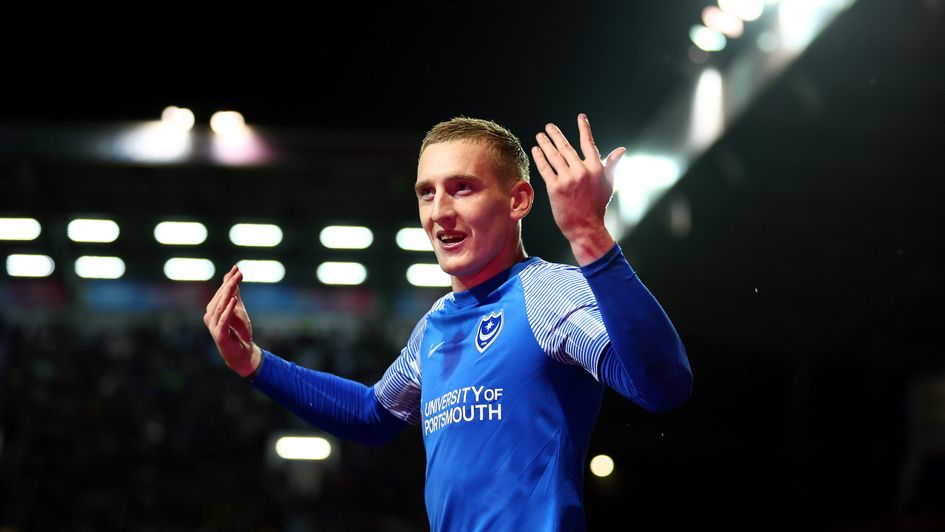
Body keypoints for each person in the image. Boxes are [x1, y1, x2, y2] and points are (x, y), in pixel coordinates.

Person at [203, 113, 693, 531]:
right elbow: (372, 416)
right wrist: (253, 362)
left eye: (462, 188)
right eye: (426, 193)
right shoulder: (434, 326)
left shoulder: (547, 294)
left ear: (519, 201)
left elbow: (663, 386)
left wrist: (589, 236)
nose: (439, 212)